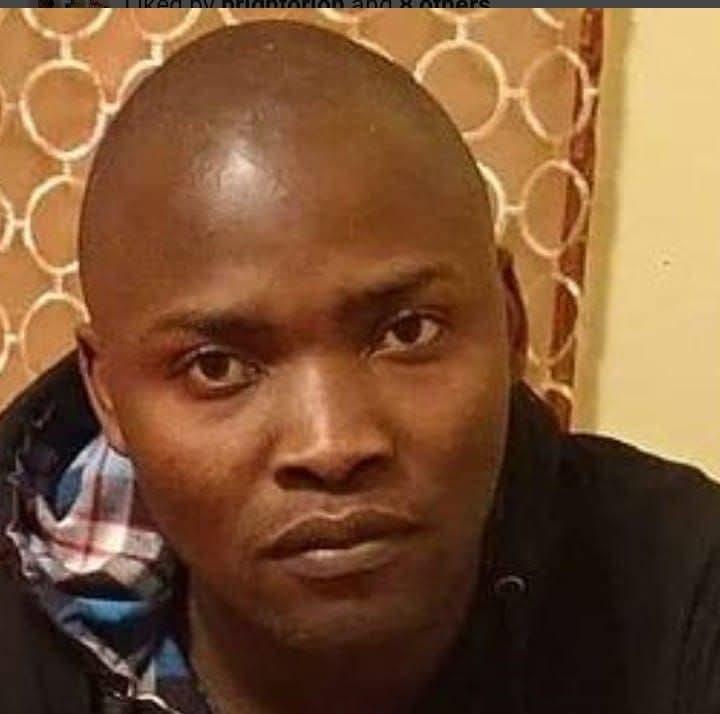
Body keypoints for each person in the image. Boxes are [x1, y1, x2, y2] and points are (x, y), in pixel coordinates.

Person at [0, 20, 718, 714]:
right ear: (108, 395)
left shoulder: (682, 589)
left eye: (408, 332)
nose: (332, 444)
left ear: (511, 327)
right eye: (216, 367)